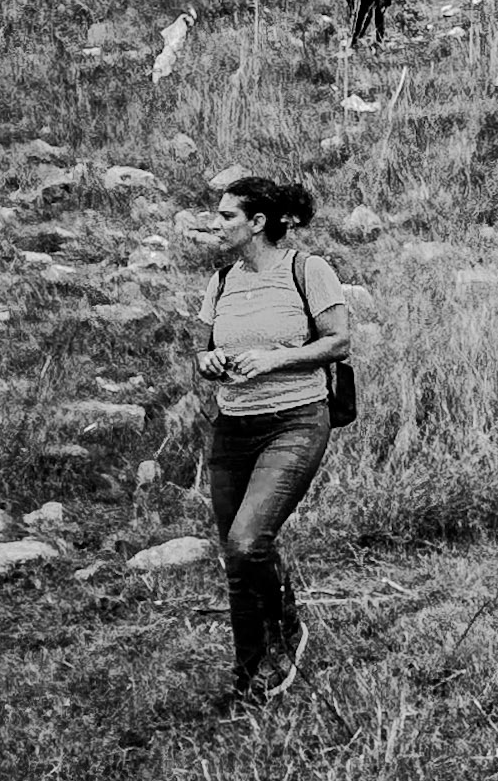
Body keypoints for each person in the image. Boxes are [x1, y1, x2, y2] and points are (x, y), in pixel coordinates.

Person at [195, 176, 351, 705]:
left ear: (257, 223)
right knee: (238, 554)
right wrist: (209, 361)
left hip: (295, 422)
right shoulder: (221, 281)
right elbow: (202, 351)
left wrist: (274, 359)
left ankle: (274, 650)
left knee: (246, 542)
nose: (215, 225)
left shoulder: (308, 270)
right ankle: (252, 667)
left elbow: (338, 341)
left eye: (226, 217)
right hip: (233, 427)